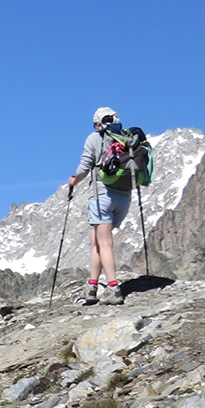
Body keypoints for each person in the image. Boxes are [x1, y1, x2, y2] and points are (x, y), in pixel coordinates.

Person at [67, 107, 131, 305]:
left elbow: (85, 167)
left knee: (104, 243)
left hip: (101, 195)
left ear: (98, 124)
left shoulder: (94, 139)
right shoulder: (126, 138)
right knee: (94, 240)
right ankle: (92, 286)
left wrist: (73, 181)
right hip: (124, 197)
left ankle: (113, 287)